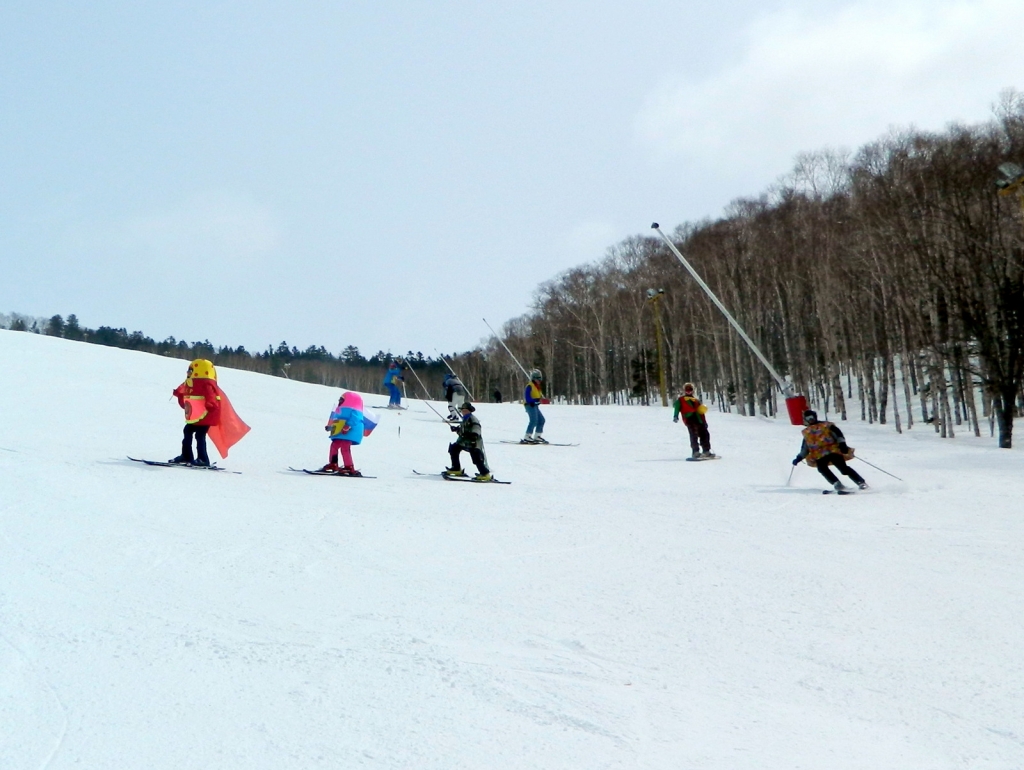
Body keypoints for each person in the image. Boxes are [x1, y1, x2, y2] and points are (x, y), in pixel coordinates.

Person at [792, 409, 868, 492]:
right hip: (819, 454)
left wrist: (842, 444)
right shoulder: (807, 432)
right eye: (808, 418)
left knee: (843, 468)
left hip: (832, 450)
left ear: (815, 416)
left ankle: (861, 482)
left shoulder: (826, 425)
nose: (811, 419)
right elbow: (805, 448)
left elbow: (838, 434)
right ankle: (837, 484)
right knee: (822, 468)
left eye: (811, 417)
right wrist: (799, 458)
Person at [170, 359, 222, 466]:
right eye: (188, 371)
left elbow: (210, 395)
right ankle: (186, 455)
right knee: (187, 431)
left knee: (200, 435)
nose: (188, 373)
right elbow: (187, 401)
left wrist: (210, 404)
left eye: (190, 371)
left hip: (206, 415)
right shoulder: (190, 383)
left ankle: (203, 459)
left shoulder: (206, 383)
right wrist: (179, 395)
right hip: (195, 415)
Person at [323, 391, 369, 476]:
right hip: (341, 431)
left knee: (345, 446)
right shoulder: (340, 409)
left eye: (342, 400)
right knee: (334, 445)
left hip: (352, 431)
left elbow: (355, 418)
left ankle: (349, 466)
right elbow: (337, 419)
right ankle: (333, 463)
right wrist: (331, 426)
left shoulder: (355, 409)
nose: (340, 401)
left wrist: (348, 425)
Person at [446, 402, 491, 481]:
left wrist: (474, 438)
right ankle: (456, 468)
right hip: (464, 441)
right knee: (454, 449)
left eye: (466, 411)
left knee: (476, 457)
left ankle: (485, 473)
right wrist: (456, 429)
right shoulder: (465, 419)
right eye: (463, 411)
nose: (464, 412)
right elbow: (463, 431)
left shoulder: (472, 419)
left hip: (473, 442)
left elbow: (476, 428)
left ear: (470, 411)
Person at [673, 382, 713, 458]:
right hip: (689, 419)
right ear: (684, 390)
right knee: (693, 434)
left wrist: (704, 422)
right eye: (687, 390)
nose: (688, 391)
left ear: (692, 390)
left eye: (690, 389)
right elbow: (677, 408)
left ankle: (706, 450)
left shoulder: (696, 400)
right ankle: (695, 451)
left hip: (698, 419)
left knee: (705, 434)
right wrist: (675, 416)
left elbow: (701, 412)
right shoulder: (681, 400)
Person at [522, 369, 547, 444]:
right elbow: (527, 397)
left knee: (541, 420)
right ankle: (527, 436)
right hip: (530, 405)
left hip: (535, 405)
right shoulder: (529, 386)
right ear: (533, 378)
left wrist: (540, 400)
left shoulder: (537, 386)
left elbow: (537, 396)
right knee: (533, 421)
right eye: (537, 379)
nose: (539, 381)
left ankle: (537, 436)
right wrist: (533, 401)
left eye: (540, 379)